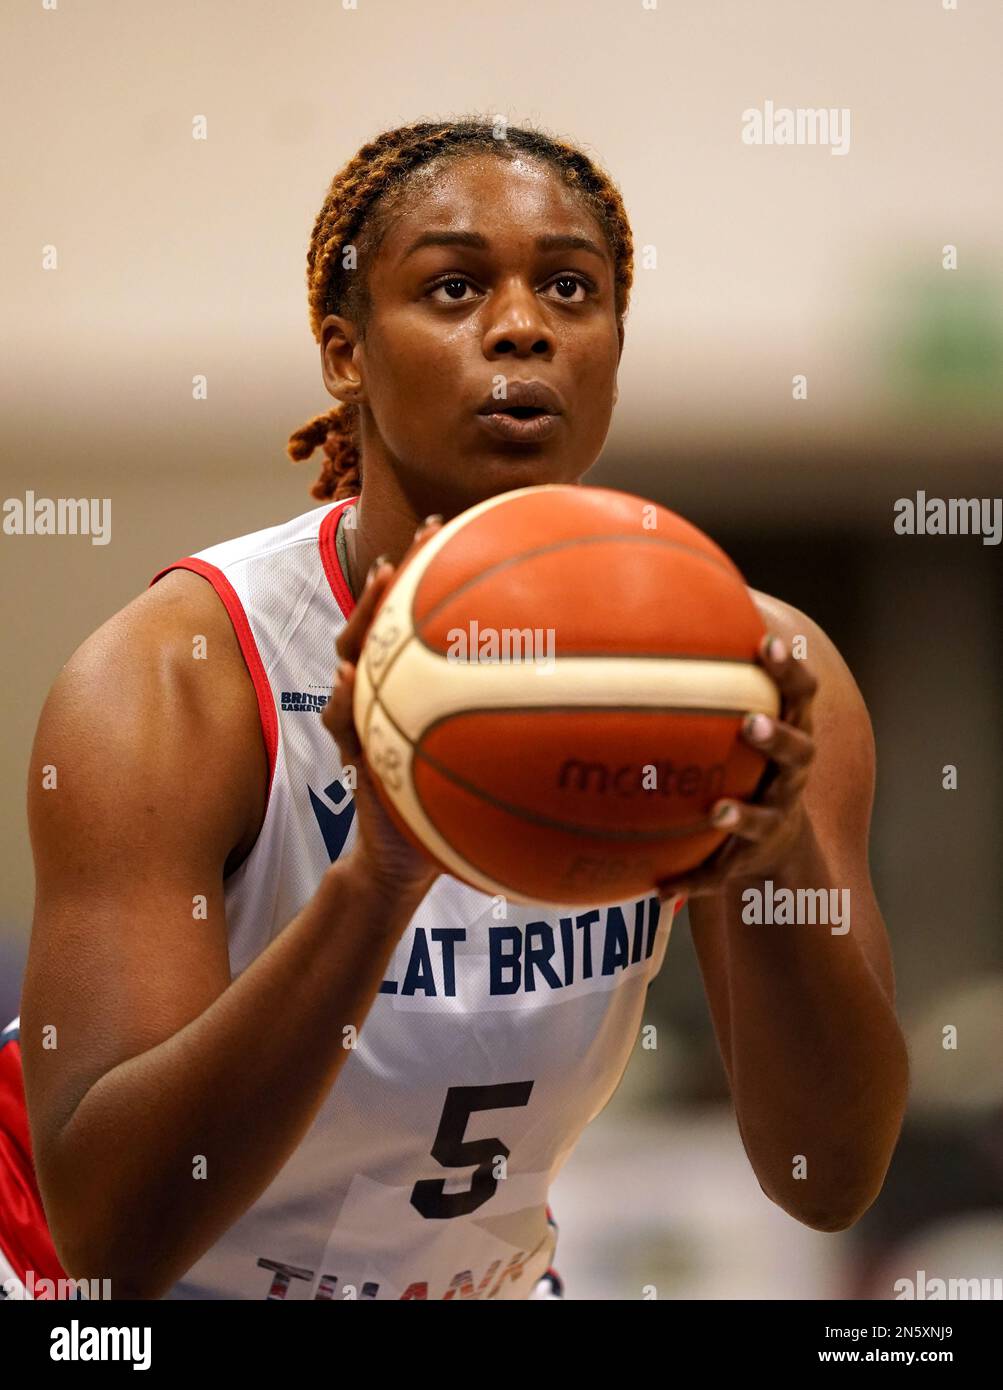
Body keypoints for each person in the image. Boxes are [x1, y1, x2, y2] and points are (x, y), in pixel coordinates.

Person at [0, 119, 908, 1302]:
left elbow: (826, 1178)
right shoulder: (178, 677)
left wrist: (770, 845)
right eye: (454, 284)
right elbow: (110, 1242)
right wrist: (374, 880)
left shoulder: (753, 679)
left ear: (613, 348)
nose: (521, 324)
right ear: (345, 352)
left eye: (569, 287)